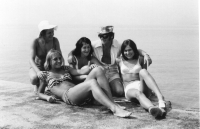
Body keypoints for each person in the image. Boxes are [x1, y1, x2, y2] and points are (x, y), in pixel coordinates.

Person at [37, 49, 132, 118]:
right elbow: (39, 93)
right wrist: (47, 97)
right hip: (68, 96)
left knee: (98, 70)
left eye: (59, 58)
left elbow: (80, 72)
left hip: (78, 90)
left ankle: (111, 102)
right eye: (55, 59)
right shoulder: (45, 75)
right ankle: (114, 109)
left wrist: (90, 67)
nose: (58, 61)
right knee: (92, 82)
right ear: (49, 61)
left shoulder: (65, 69)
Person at [68, 26, 152, 97]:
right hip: (100, 71)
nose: (102, 38)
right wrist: (70, 55)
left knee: (119, 92)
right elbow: (79, 48)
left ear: (111, 36)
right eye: (100, 36)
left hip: (113, 72)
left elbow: (133, 49)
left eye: (105, 36)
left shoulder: (118, 45)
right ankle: (105, 90)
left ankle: (107, 88)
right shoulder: (94, 45)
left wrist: (145, 54)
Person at [117, 39, 169, 119]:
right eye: (125, 51)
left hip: (141, 85)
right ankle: (152, 109)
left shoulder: (140, 59)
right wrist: (143, 53)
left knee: (143, 71)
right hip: (129, 89)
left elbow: (147, 69)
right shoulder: (119, 60)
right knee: (138, 93)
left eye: (130, 50)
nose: (128, 53)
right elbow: (118, 53)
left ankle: (160, 97)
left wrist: (145, 54)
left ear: (134, 49)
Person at [29, 20, 62, 94]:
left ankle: (46, 85)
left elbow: (60, 56)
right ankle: (37, 84)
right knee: (34, 79)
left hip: (49, 68)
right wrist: (38, 72)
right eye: (49, 33)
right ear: (43, 34)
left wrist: (61, 68)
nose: (52, 34)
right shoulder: (36, 42)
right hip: (38, 67)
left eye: (52, 32)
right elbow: (31, 59)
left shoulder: (55, 41)